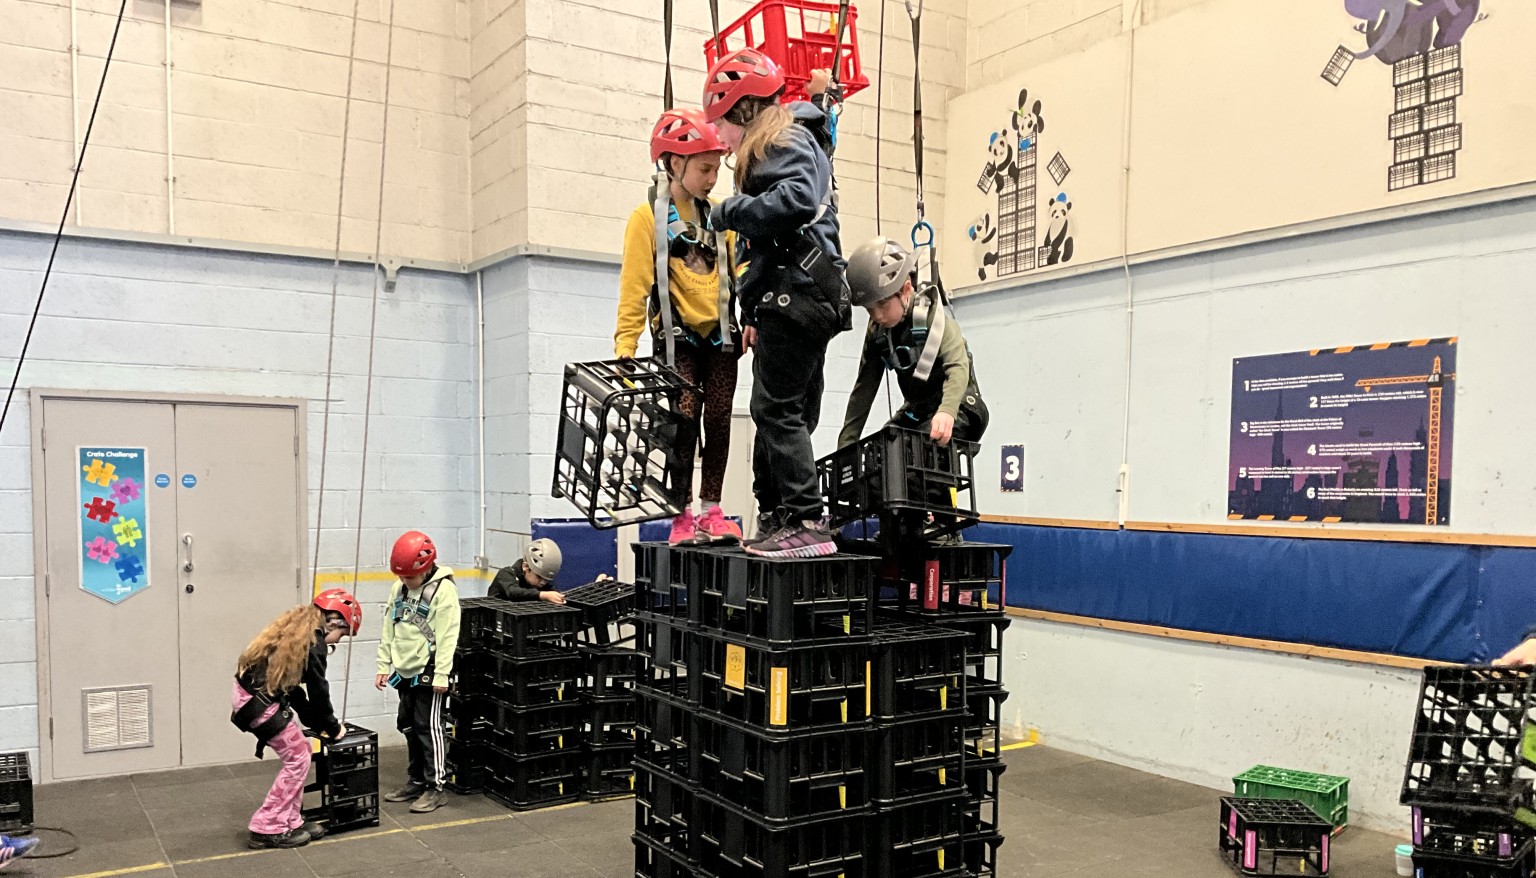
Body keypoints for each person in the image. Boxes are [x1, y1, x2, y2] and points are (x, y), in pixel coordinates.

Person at [702, 47, 850, 559]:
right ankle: (787, 515)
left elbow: (797, 201)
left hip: (800, 292)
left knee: (775, 408)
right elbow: (763, 247)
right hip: (799, 295)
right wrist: (751, 312)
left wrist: (730, 210)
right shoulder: (796, 139)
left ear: (742, 110)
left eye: (721, 123)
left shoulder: (781, 140)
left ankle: (806, 519)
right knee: (794, 409)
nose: (718, 139)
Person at [614, 108, 745, 546]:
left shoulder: (722, 217)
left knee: (721, 420)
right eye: (704, 168)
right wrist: (625, 348)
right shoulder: (646, 218)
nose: (712, 177)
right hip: (678, 339)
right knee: (683, 421)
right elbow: (633, 289)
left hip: (722, 336)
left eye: (716, 168)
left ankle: (712, 508)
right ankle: (682, 513)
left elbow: (743, 270)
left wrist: (756, 321)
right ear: (674, 163)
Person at [231, 587, 363, 849]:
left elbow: (293, 690)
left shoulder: (299, 635)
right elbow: (318, 690)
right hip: (258, 703)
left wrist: (316, 723)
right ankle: (266, 825)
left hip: (252, 698)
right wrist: (333, 727)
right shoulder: (314, 643)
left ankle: (291, 820)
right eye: (342, 633)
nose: (337, 641)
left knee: (300, 752)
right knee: (298, 757)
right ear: (333, 620)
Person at [838, 236, 989, 449]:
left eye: (883, 304)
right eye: (869, 309)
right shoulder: (878, 334)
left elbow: (958, 366)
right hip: (919, 411)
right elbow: (863, 391)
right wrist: (846, 445)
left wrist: (947, 411)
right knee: (883, 451)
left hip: (962, 407)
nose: (878, 315)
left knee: (913, 451)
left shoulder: (931, 318)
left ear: (906, 289)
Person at [375, 531, 460, 814]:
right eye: (401, 576)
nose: (404, 582)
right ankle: (416, 780)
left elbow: (448, 636)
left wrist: (442, 675)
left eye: (409, 577)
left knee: (429, 727)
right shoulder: (398, 588)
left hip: (430, 669)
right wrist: (383, 665)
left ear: (425, 569)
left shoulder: (443, 591)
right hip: (404, 669)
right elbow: (390, 627)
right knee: (408, 724)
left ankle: (436, 787)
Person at [488, 538, 569, 602]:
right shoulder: (506, 574)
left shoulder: (541, 583)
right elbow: (512, 592)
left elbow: (551, 589)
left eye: (546, 579)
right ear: (526, 567)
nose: (543, 582)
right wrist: (542, 595)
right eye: (539, 577)